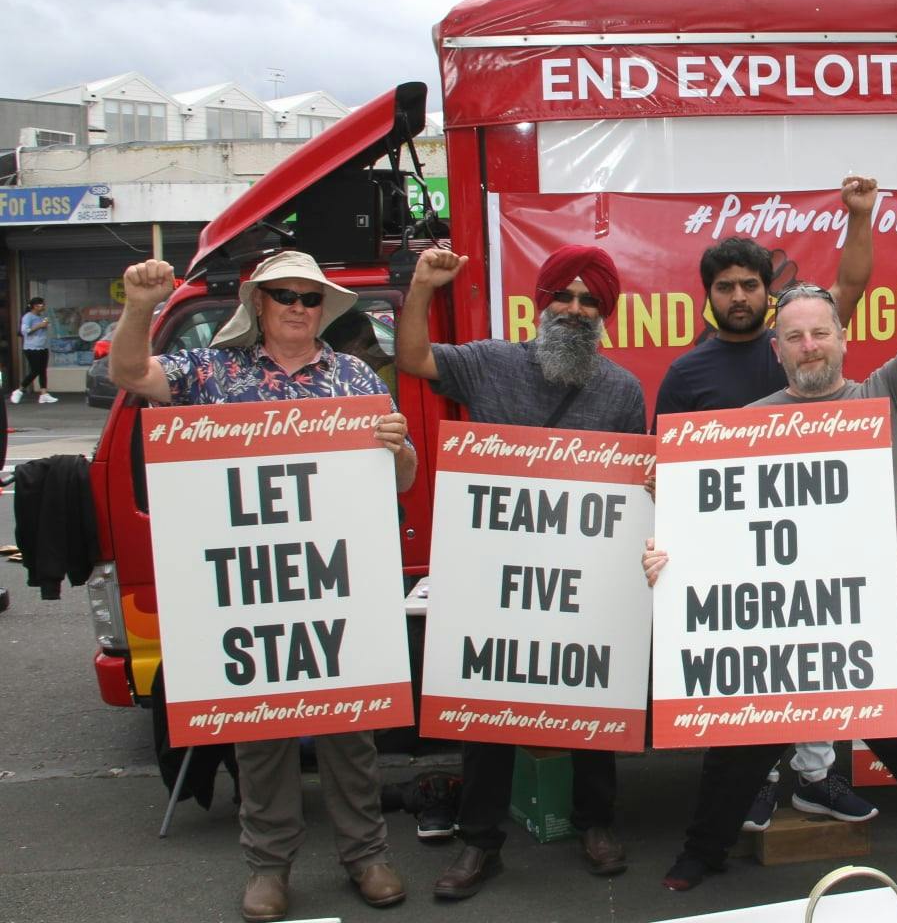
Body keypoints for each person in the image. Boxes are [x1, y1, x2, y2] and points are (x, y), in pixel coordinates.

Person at [644, 195, 897, 891]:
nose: (809, 346)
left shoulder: (883, 401)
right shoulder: (744, 424)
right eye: (796, 337)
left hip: (874, 621)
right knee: (738, 756)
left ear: (843, 338)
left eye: (820, 334)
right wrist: (668, 559)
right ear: (777, 349)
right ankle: (702, 851)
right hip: (776, 625)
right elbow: (705, 523)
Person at [108, 251, 417, 923]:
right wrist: (139, 308)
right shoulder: (212, 373)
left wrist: (397, 447)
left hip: (337, 581)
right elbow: (130, 373)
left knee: (350, 729)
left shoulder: (356, 375)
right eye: (285, 295)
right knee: (261, 731)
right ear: (259, 304)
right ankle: (268, 867)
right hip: (252, 589)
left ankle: (366, 855)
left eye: (311, 298)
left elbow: (404, 478)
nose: (299, 308)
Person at [397, 241, 646, 899]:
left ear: (605, 314)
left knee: (594, 695)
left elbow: (632, 488)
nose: (573, 308)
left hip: (583, 579)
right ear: (539, 304)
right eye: (563, 296)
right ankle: (480, 843)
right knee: (485, 707)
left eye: (589, 300)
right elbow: (413, 357)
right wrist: (422, 285)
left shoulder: (622, 390)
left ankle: (595, 824)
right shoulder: (487, 363)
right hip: (494, 579)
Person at [654, 176, 881, 834]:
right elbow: (667, 468)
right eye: (725, 286)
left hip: (814, 538)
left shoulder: (797, 343)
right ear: (710, 296)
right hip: (728, 553)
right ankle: (753, 781)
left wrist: (859, 217)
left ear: (767, 291)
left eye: (750, 284)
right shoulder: (685, 375)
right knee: (746, 673)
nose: (739, 296)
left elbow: (854, 286)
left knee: (811, 659)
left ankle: (816, 779)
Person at [15, 296, 55, 403]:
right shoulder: (28, 317)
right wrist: (39, 326)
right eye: (39, 305)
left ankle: (44, 393)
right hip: (32, 347)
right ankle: (20, 390)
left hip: (43, 346)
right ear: (34, 306)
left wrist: (45, 325)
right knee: (35, 370)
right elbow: (25, 331)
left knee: (42, 370)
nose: (42, 307)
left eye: (43, 305)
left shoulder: (42, 316)